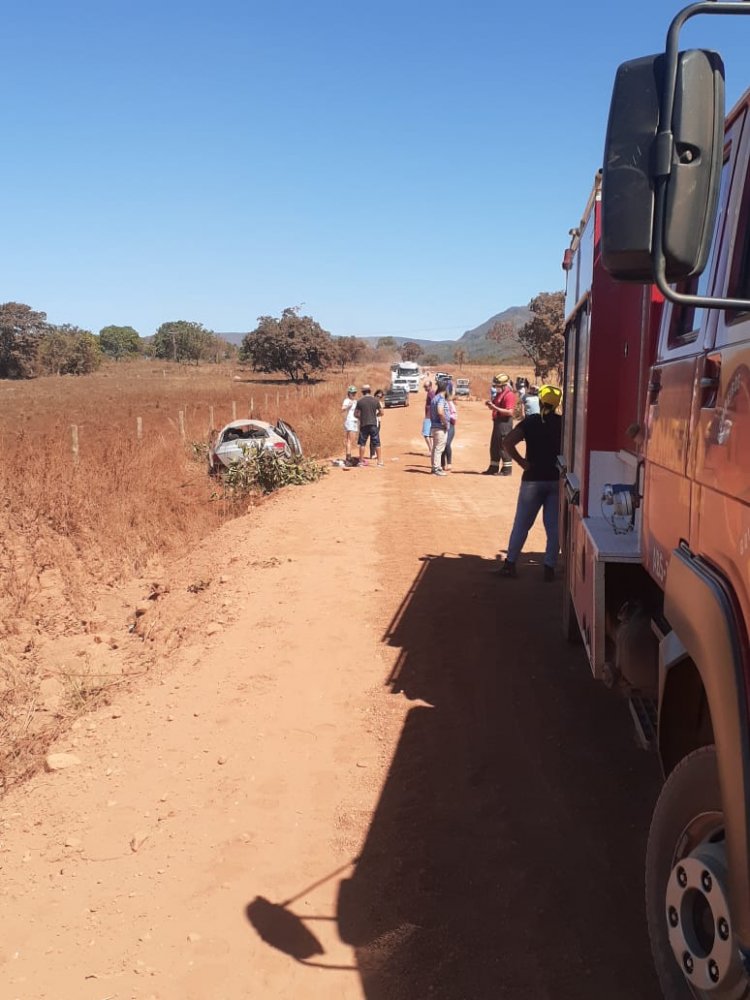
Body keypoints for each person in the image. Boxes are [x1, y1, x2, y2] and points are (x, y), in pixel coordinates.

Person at [493, 384, 564, 580]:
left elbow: (508, 442)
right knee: (553, 527)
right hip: (555, 480)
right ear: (557, 404)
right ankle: (549, 568)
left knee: (522, 524)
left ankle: (510, 565)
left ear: (540, 401)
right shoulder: (564, 423)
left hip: (532, 480)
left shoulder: (531, 422)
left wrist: (522, 462)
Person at [482, 373, 516, 476]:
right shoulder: (499, 394)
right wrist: (491, 405)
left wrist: (495, 408)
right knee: (495, 446)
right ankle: (493, 468)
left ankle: (506, 470)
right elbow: (497, 405)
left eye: (497, 386)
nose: (496, 387)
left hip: (505, 424)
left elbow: (510, 412)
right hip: (497, 423)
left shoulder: (509, 395)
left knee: (503, 446)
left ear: (504, 385)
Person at [355, 384, 384, 466]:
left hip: (364, 424)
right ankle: (379, 462)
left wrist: (361, 418)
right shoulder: (375, 401)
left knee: (362, 443)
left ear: (363, 392)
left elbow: (355, 414)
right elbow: (382, 412)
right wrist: (376, 415)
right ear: (370, 391)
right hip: (373, 424)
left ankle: (360, 461)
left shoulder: (360, 401)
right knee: (377, 443)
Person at [430, 378, 450, 475]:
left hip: (434, 426)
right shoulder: (441, 399)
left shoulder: (434, 398)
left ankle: (434, 467)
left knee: (435, 448)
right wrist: (445, 423)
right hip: (440, 427)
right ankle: (437, 468)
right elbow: (440, 412)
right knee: (439, 448)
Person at [441, 389, 457, 471]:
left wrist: (447, 417)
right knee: (442, 444)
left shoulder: (450, 404)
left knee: (447, 443)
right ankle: (442, 463)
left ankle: (449, 463)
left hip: (450, 425)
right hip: (442, 425)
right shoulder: (440, 403)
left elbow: (454, 416)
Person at [341, 386, 359, 462]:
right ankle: (348, 456)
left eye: (355, 393)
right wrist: (349, 405)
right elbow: (342, 409)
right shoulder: (347, 400)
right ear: (349, 393)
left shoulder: (356, 401)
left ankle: (349, 454)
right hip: (350, 420)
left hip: (355, 420)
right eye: (352, 393)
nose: (354, 394)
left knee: (352, 440)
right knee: (349, 439)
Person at [370, 389, 385, 458]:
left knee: (376, 437)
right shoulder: (372, 401)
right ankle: (372, 454)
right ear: (375, 395)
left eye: (380, 397)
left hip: (378, 421)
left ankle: (375, 453)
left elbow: (382, 413)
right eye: (377, 396)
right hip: (372, 421)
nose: (378, 397)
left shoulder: (380, 403)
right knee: (373, 437)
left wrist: (377, 415)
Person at [422, 380, 435, 456]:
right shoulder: (430, 393)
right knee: (430, 435)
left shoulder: (431, 393)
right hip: (430, 416)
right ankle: (432, 450)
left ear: (430, 386)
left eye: (426, 386)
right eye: (424, 386)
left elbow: (434, 403)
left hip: (429, 416)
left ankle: (431, 450)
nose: (425, 388)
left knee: (426, 434)